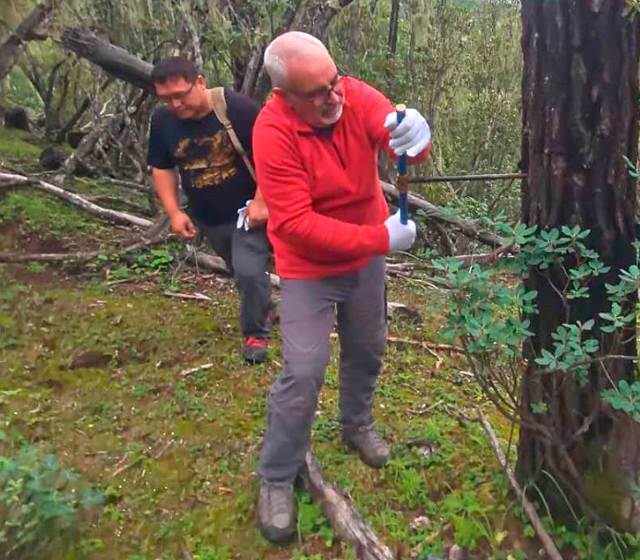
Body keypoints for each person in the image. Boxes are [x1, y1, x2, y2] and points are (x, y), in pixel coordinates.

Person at [249, 31, 431, 543]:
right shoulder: (271, 132)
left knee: (368, 347)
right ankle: (277, 475)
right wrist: (379, 238)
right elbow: (294, 225)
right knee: (304, 370)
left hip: (365, 259)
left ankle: (356, 425)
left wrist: (415, 136)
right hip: (310, 266)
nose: (334, 97)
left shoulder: (349, 94)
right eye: (317, 93)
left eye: (335, 82)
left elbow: (395, 135)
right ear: (284, 96)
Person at [147, 56, 275, 364]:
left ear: (200, 82)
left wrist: (262, 201)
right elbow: (162, 167)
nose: (175, 104)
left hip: (247, 211)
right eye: (166, 98)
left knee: (247, 271)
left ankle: (255, 333)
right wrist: (174, 212)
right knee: (239, 269)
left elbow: (274, 155)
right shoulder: (162, 121)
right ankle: (264, 307)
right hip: (208, 215)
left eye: (181, 94)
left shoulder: (237, 109)